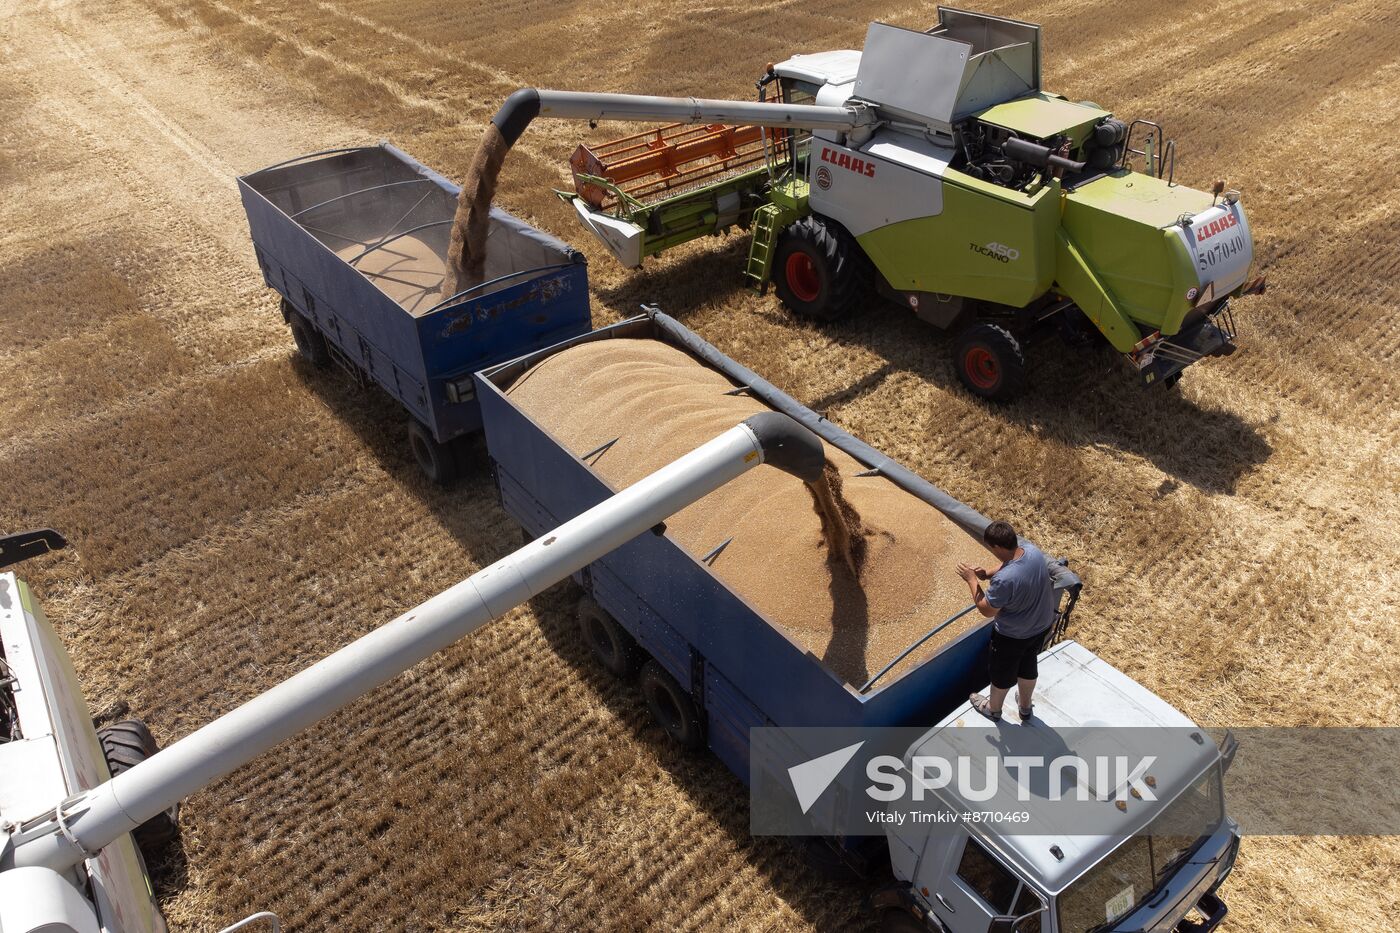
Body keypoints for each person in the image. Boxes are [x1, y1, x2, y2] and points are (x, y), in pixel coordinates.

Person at [955, 520, 1056, 724]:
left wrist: (972, 581)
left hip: (1013, 636)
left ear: (998, 546)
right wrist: (986, 574)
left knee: (1001, 674)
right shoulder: (1032, 551)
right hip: (1040, 626)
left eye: (991, 547)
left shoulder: (1005, 580)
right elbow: (1008, 564)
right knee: (1028, 665)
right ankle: (1025, 707)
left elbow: (987, 610)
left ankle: (993, 709)